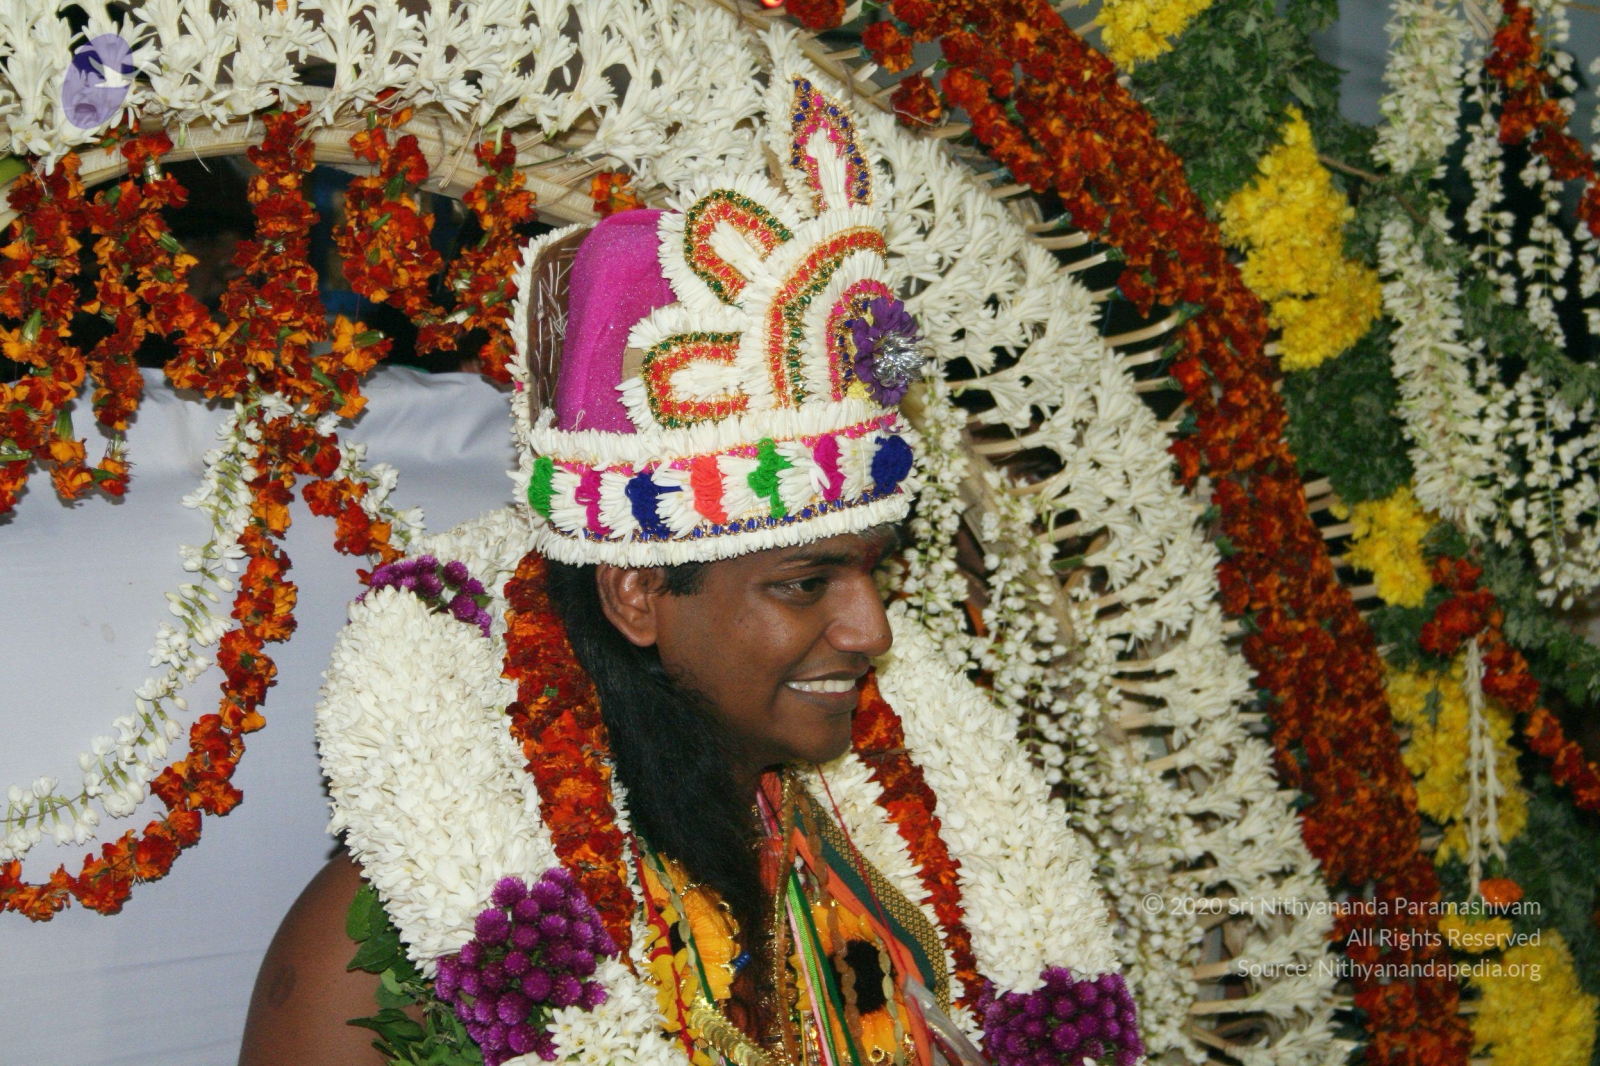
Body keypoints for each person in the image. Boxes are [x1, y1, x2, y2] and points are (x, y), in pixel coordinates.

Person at [242, 69, 1135, 1066]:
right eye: (805, 581)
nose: (872, 628)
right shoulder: (399, 952)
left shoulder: (879, 849)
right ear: (637, 594)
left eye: (872, 571)